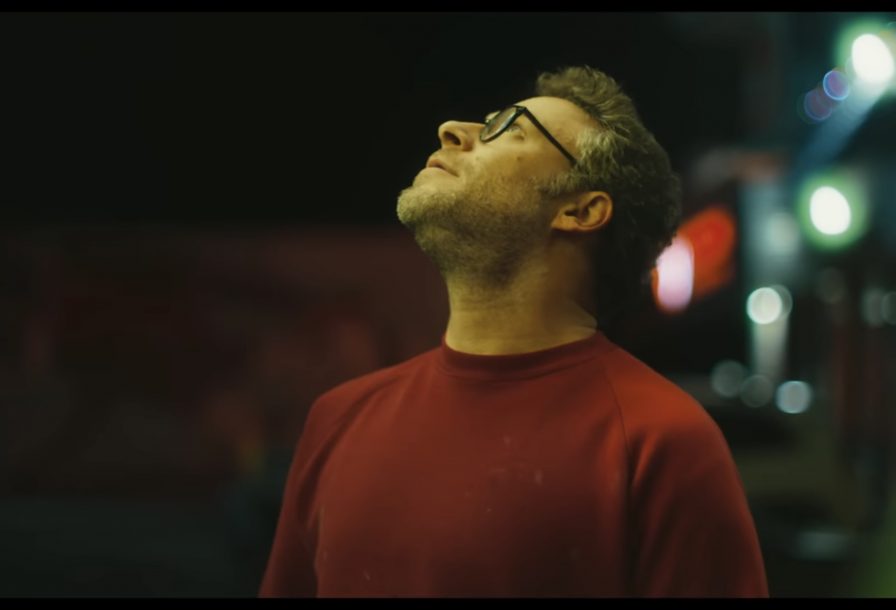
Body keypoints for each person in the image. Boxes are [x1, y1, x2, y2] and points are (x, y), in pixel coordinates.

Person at [259, 66, 768, 597]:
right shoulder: (337, 418)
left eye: (509, 128)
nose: (453, 130)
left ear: (581, 210)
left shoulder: (661, 441)